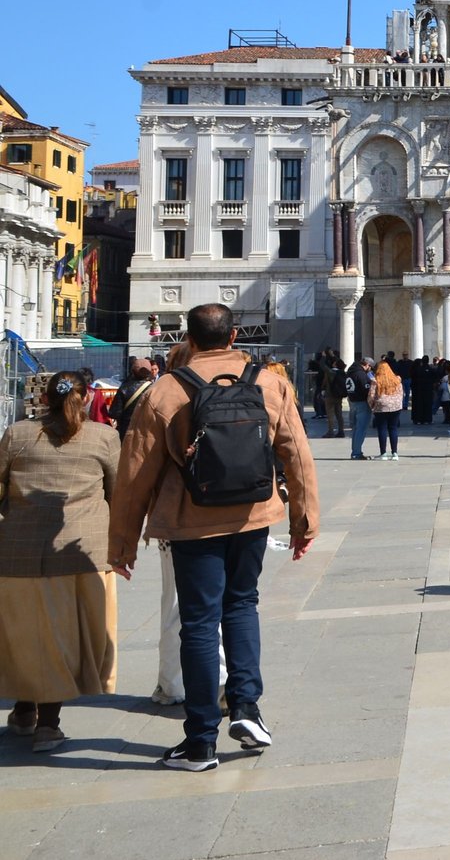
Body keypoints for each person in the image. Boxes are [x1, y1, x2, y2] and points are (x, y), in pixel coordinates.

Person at [110, 302, 319, 772]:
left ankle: (201, 739)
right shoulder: (269, 383)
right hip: (252, 516)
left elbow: (134, 475)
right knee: (242, 605)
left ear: (188, 337)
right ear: (234, 336)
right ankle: (247, 708)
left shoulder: (165, 390)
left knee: (200, 624)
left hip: (192, 520)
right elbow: (298, 456)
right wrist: (303, 523)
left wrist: (122, 544)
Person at [0, 373, 120, 754]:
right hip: (80, 553)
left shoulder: (17, 434)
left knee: (26, 636)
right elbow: (117, 493)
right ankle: (48, 726)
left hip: (17, 555)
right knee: (64, 640)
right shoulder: (104, 437)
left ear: (44, 398)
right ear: (87, 399)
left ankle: (24, 711)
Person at [112, 356, 158, 440]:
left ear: (132, 371)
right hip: (147, 432)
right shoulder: (154, 389)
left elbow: (114, 413)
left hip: (126, 431)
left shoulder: (124, 388)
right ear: (149, 372)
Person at [365, 360, 404, 461]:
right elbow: (401, 393)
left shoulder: (375, 380)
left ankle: (383, 453)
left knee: (382, 429)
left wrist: (372, 406)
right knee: (393, 428)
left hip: (381, 407)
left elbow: (371, 395)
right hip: (395, 407)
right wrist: (398, 403)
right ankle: (395, 453)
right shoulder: (397, 380)